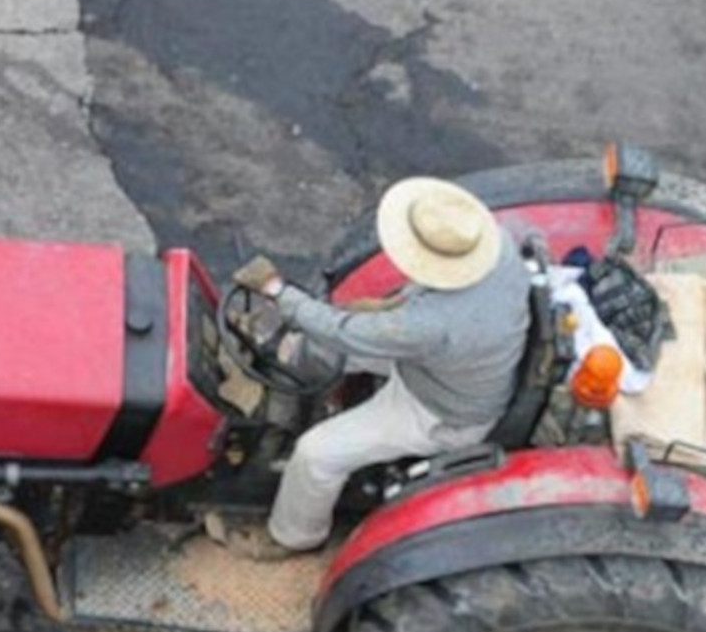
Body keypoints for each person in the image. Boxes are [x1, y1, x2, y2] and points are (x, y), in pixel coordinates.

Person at [227, 177, 530, 558]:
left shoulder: (430, 324)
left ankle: (293, 536)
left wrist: (277, 292)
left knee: (315, 455)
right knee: (320, 345)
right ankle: (296, 399)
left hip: (439, 411)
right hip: (457, 365)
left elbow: (344, 331)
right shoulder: (497, 247)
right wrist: (388, 311)